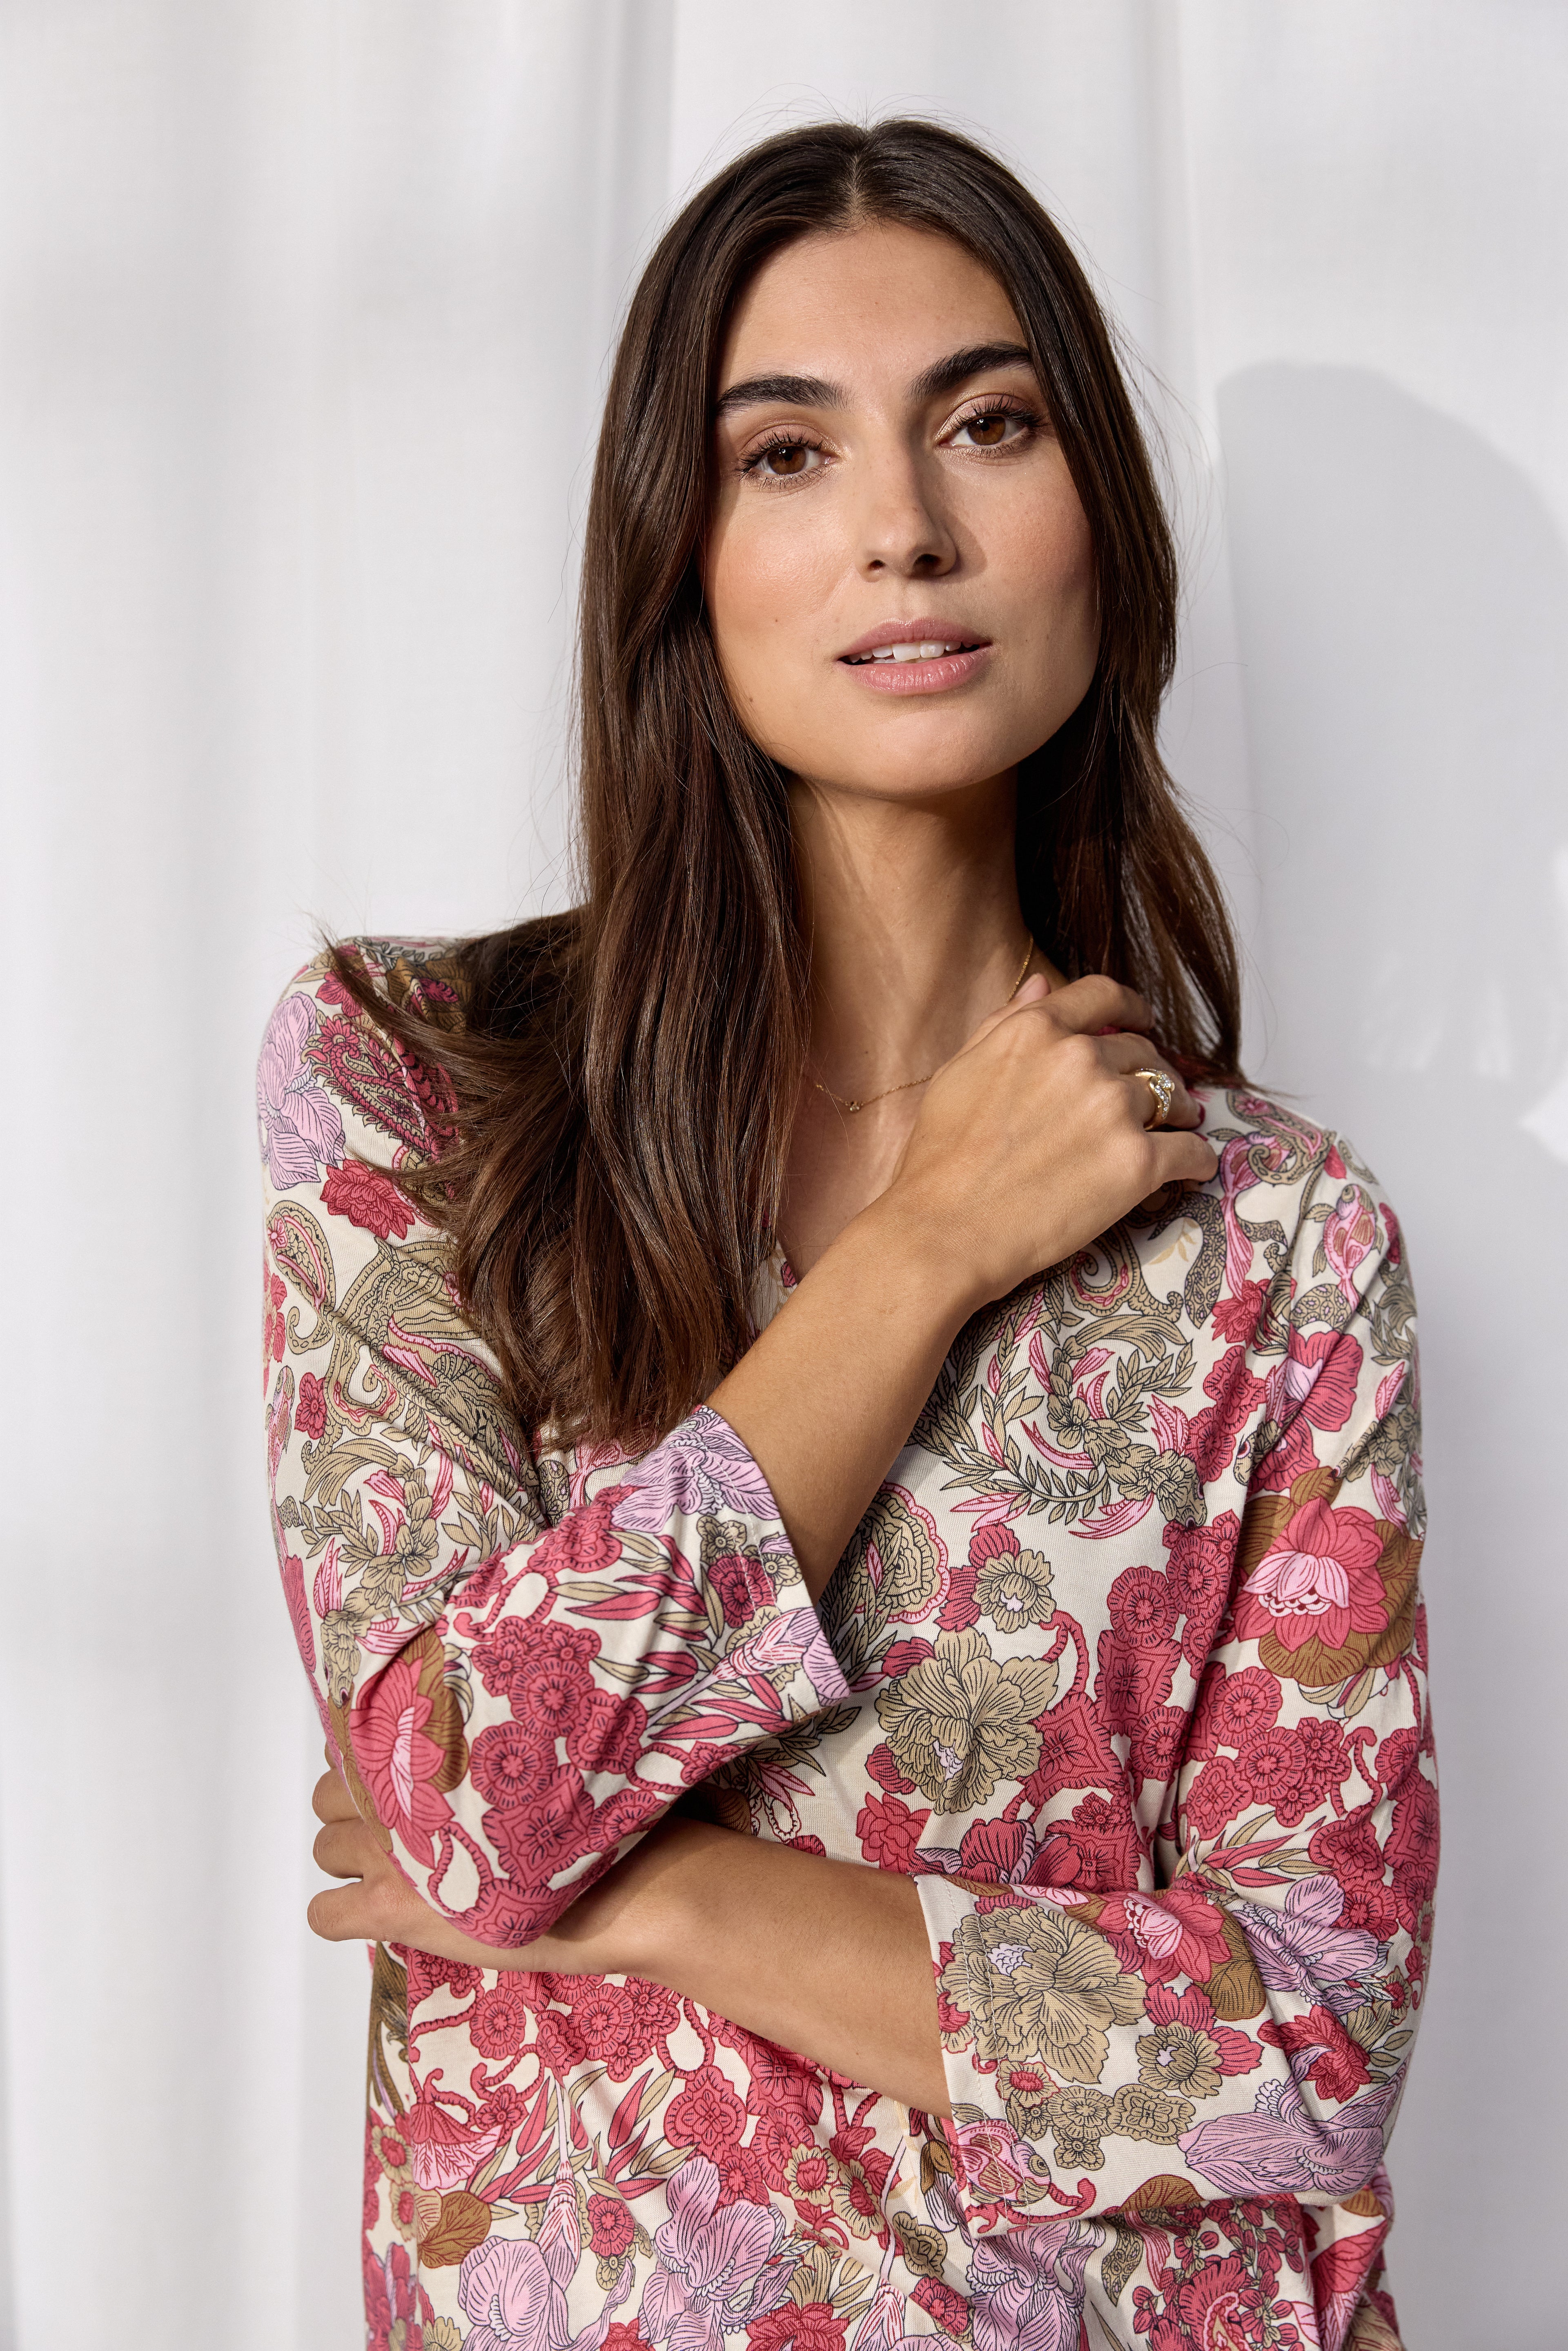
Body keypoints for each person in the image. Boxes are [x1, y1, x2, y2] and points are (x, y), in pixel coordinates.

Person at [259, 119, 1434, 2351]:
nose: (905, 529)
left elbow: (1308, 2050)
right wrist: (923, 1254)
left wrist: (652, 1893)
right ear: (678, 555)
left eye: (988, 428)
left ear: (1104, 527)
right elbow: (460, 1777)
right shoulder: (421, 1086)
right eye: (787, 455)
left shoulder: (1279, 1239)